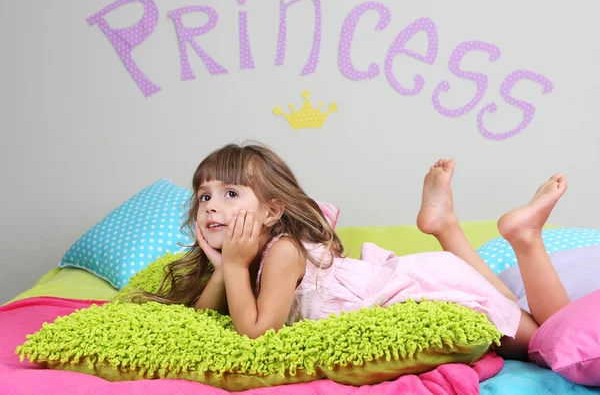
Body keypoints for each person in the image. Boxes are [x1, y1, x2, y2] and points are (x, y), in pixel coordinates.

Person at [140, 142, 570, 361]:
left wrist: (233, 265)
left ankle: (525, 237)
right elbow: (199, 322)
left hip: (416, 284)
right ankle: (445, 227)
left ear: (272, 209)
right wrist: (221, 269)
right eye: (203, 196)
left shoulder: (284, 250)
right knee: (518, 310)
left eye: (230, 193)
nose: (212, 205)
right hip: (420, 273)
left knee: (551, 341)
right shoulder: (244, 259)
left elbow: (256, 334)